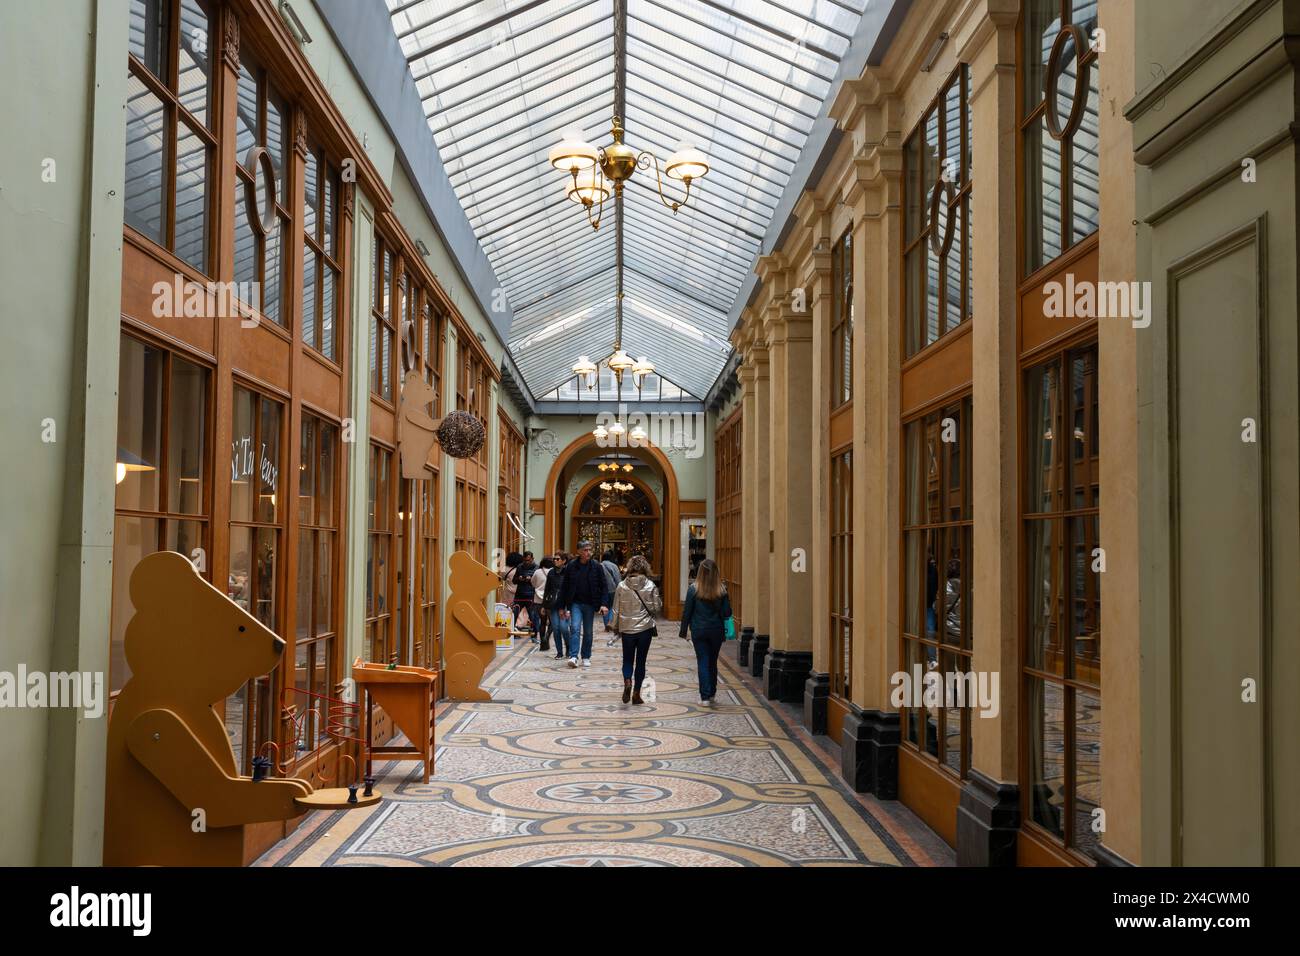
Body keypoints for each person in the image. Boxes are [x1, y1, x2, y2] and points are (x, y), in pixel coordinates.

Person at [678, 558, 732, 707]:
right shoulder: (721, 590)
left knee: (703, 661)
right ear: (716, 573)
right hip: (716, 630)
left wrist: (683, 631)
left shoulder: (693, 589)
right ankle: (712, 693)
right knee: (712, 662)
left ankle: (705, 697)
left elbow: (687, 612)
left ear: (700, 572)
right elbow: (727, 613)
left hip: (699, 630)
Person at [609, 555, 661, 705]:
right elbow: (656, 608)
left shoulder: (621, 586)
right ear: (645, 567)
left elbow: (616, 609)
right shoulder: (650, 585)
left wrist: (615, 626)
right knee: (641, 661)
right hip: (645, 629)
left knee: (627, 659)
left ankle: (627, 682)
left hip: (627, 629)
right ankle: (637, 693)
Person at [559, 539, 611, 668]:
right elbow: (564, 587)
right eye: (585, 550)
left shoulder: (597, 566)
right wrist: (561, 607)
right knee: (575, 628)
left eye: (589, 550)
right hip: (575, 603)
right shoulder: (571, 566)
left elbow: (604, 587)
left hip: (590, 604)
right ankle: (574, 656)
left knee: (588, 632)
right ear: (579, 552)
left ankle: (586, 656)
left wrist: (604, 604)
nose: (588, 553)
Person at [542, 551, 570, 660]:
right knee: (556, 628)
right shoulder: (551, 573)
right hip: (553, 604)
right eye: (554, 559)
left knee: (563, 628)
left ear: (564, 561)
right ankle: (559, 652)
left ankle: (568, 646)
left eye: (557, 559)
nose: (555, 561)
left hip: (565, 604)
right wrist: (544, 605)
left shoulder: (568, 572)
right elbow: (547, 589)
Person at [533, 556, 554, 650]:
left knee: (542, 621)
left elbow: (532, 582)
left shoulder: (537, 572)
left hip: (538, 599)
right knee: (552, 622)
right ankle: (547, 636)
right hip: (550, 600)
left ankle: (542, 641)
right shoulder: (554, 572)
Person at [600, 550, 622, 632]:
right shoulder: (614, 566)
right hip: (613, 590)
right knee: (613, 607)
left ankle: (606, 625)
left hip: (602, 591)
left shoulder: (599, 565)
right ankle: (610, 621)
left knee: (604, 606)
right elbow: (618, 579)